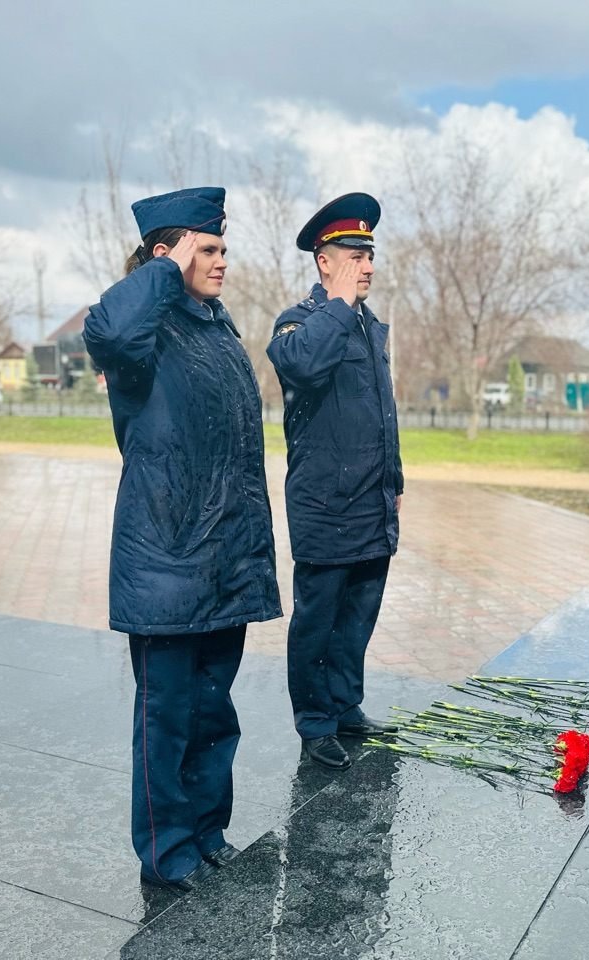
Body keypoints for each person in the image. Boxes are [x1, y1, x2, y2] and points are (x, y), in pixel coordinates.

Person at [83, 186, 282, 891]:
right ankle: (167, 851)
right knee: (165, 717)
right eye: (207, 249)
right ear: (165, 255)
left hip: (224, 559)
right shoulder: (143, 338)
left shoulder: (217, 330)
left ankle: (206, 833)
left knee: (213, 712)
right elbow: (108, 330)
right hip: (165, 559)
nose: (222, 261)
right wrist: (165, 269)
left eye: (225, 248)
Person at [266, 192, 403, 770]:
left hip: (371, 500)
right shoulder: (299, 321)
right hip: (325, 504)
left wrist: (395, 480)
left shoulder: (369, 326)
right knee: (318, 622)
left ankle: (345, 706)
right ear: (325, 261)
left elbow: (381, 411)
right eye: (354, 256)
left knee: (357, 618)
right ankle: (315, 723)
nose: (367, 266)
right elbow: (301, 365)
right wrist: (340, 305)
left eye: (370, 256)